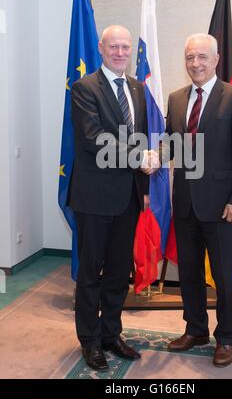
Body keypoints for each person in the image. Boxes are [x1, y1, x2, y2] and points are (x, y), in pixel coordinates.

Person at [165, 33, 232, 367]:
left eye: (202, 57)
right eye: (190, 57)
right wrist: (147, 156)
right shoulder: (175, 99)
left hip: (223, 207)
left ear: (216, 60)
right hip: (186, 203)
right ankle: (196, 329)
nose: (195, 64)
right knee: (188, 272)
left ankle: (226, 338)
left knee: (224, 275)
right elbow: (172, 148)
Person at [69, 25, 154, 371]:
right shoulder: (84, 87)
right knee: (91, 271)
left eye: (124, 47)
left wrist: (145, 190)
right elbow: (94, 138)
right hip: (94, 198)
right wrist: (139, 158)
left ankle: (110, 334)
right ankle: (89, 341)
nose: (120, 52)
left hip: (129, 198)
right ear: (102, 49)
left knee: (120, 271)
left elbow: (141, 137)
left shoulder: (135, 87)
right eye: (113, 47)